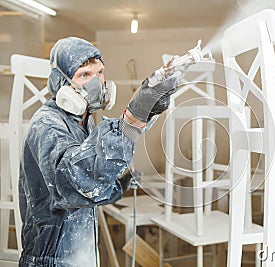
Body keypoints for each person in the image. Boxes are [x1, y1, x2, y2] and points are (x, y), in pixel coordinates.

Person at [18, 36, 179, 266]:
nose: (97, 83)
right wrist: (132, 119)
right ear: (61, 84)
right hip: (50, 260)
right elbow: (77, 181)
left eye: (99, 72)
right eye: (84, 75)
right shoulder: (46, 125)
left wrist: (118, 185)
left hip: (80, 255)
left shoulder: (83, 121)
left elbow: (91, 182)